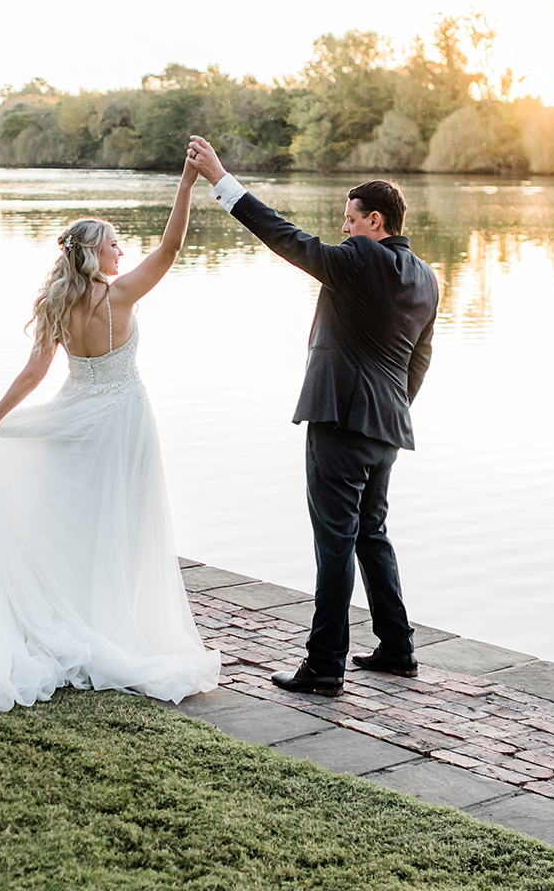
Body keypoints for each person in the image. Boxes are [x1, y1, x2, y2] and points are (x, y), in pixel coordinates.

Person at [0, 151, 221, 711]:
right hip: (123, 420)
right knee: (120, 526)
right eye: (114, 243)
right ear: (94, 252)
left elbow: (35, 373)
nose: (122, 250)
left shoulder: (58, 303)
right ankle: (108, 624)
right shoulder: (120, 295)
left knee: (73, 522)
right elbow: (172, 248)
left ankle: (69, 614)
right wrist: (186, 182)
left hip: (74, 416)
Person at [185, 135, 439, 697]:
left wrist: (223, 182)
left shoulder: (361, 259)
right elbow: (420, 359)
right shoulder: (425, 275)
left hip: (342, 421)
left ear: (375, 221)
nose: (342, 229)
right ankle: (398, 649)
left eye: (350, 219)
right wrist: (390, 409)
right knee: (372, 534)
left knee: (335, 540)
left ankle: (324, 666)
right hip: (387, 426)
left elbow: (287, 238)